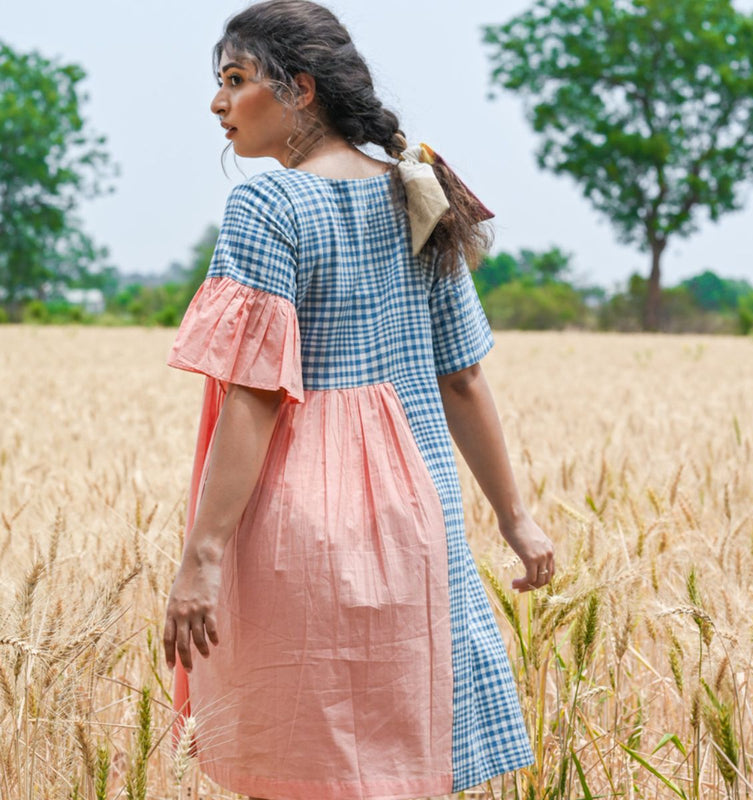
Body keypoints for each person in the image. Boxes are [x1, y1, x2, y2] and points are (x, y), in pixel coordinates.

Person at [162, 2, 555, 799]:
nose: (217, 105)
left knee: (307, 760)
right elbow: (462, 376)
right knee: (405, 749)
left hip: (299, 524)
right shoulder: (418, 190)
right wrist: (515, 518)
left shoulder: (267, 204)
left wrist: (201, 557)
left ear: (300, 89)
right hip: (423, 517)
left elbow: (254, 395)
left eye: (235, 83)